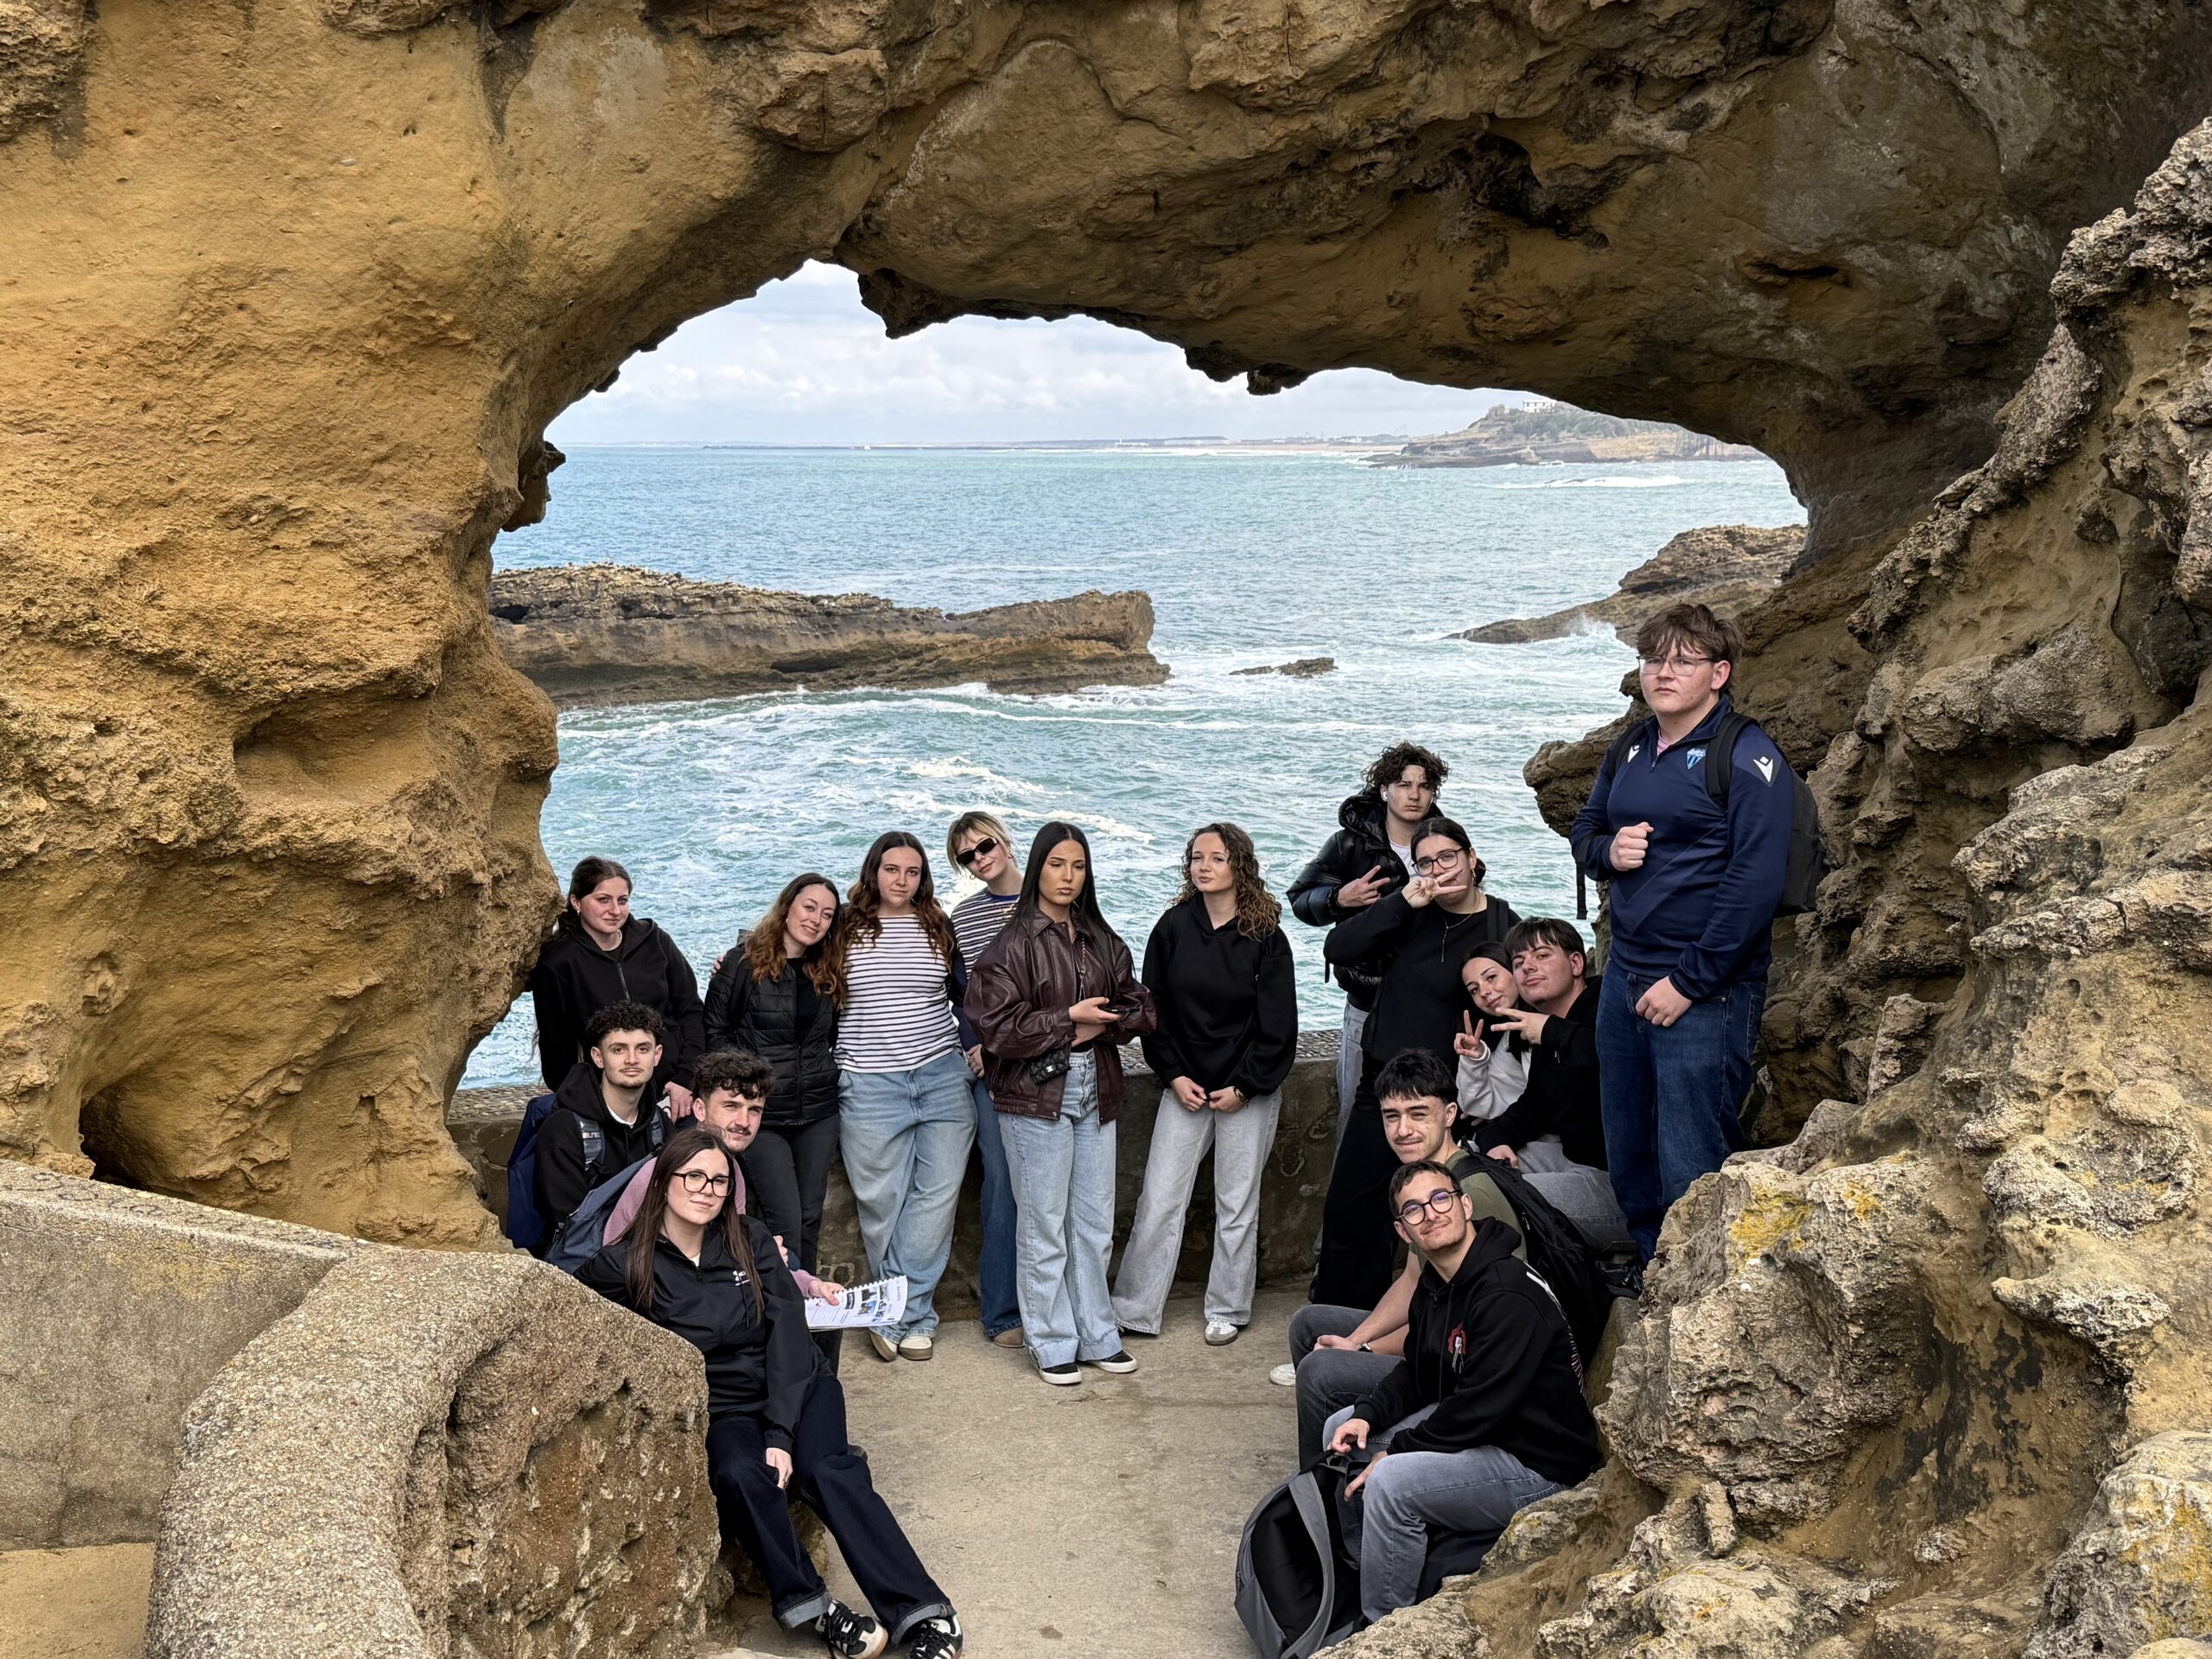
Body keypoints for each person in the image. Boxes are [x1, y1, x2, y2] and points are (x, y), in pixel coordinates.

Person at [579, 1128, 963, 1659]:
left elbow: (787, 1330)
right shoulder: (627, 1263)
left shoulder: (749, 1238)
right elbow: (570, 1312)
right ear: (663, 1180)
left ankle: (924, 1612)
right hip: (724, 1406)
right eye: (693, 1176)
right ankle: (819, 1610)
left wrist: (781, 1433)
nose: (706, 1189)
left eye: (719, 1179)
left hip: (797, 1385)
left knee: (826, 1471)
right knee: (740, 1473)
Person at [1571, 603, 1795, 1256]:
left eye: (1682, 661)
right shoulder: (1633, 745)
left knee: (1691, 1151)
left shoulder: (1749, 758)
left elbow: (1754, 888)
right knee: (1630, 1140)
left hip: (1704, 990)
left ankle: (1694, 1285)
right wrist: (1608, 852)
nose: (1662, 672)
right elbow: (1586, 829)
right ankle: (1650, 1266)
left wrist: (1689, 982)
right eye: (1652, 658)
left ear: (1719, 673)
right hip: (1626, 976)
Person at [1326, 1159, 1601, 1627]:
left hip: (1538, 1465)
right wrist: (1369, 1416)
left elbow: (1478, 1411)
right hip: (1491, 1433)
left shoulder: (1507, 1295)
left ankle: (1382, 1627)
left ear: (1465, 1204)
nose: (1430, 1214)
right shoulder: (1437, 1283)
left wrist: (1396, 1452)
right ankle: (1368, 1562)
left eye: (1440, 1199)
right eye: (1414, 1210)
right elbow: (1418, 1371)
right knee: (1342, 1428)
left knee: (1391, 1481)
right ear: (1403, 1232)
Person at [966, 821, 1156, 1387]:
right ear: (1039, 867)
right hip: (1032, 1096)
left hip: (1096, 1087)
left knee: (1094, 1225)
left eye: (1077, 866)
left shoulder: (1100, 935)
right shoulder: (1011, 941)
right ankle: (1050, 1340)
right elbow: (995, 1028)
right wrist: (1066, 1022)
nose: (1068, 877)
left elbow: (1142, 1006)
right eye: (1057, 865)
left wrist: (1101, 1026)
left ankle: (1098, 1334)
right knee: (1044, 1226)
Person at [1276, 1048, 1523, 1468]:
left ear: (1450, 1115)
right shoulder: (1425, 1181)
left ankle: (1325, 1491)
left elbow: (1452, 1329)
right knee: (1310, 1324)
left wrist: (1365, 1351)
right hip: (1441, 1336)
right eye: (1392, 1116)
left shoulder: (1467, 1196)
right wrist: (1355, 1342)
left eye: (1418, 1114)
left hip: (1471, 1363)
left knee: (1322, 1371)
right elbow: (1413, 1282)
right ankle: (1329, 1468)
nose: (1403, 1129)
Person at [1313, 816, 1520, 1310]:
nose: (1438, 869)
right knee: (1353, 1206)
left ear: (1471, 859)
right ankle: (1338, 1325)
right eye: (1424, 862)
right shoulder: (1410, 909)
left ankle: (1427, 1331)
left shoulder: (1502, 923)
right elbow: (1338, 947)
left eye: (1448, 857)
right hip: (1382, 1082)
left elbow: (1513, 1001)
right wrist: (1403, 900)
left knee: (1434, 1211)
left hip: (1446, 1096)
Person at [1111, 823, 1298, 1345]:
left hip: (1247, 1092)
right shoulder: (1172, 927)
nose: (1204, 866)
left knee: (1236, 1203)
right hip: (1185, 1087)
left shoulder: (1266, 936)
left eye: (1216, 857)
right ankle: (1133, 1309)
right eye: (1197, 857)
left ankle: (1227, 1308)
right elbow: (1154, 1012)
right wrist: (1173, 1075)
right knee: (1160, 1198)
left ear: (1239, 865)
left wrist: (1246, 1086)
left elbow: (1279, 1026)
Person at [824, 832, 977, 1363]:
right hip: (868, 1083)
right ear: (874, 871)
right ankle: (907, 1316)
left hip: (940, 1075)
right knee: (881, 1204)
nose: (901, 880)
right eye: (892, 869)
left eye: (912, 872)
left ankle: (901, 1314)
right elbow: (787, 950)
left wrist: (977, 1048)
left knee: (936, 1198)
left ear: (923, 878)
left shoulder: (940, 925)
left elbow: (970, 995)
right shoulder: (842, 927)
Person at [1288, 743, 1450, 1145]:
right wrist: (1338, 898)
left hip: (1428, 1005)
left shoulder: (1444, 845)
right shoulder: (1350, 844)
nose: (1414, 794)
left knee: (1427, 1122)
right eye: (1403, 784)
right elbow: (1299, 901)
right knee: (1359, 1121)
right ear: (1383, 790)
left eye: (1424, 786)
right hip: (1367, 1002)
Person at [703, 874, 842, 1275]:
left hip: (818, 1111)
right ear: (788, 906)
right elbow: (714, 1031)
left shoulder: (828, 969)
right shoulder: (742, 961)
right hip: (762, 1115)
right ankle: (782, 1313)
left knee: (810, 1220)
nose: (816, 920)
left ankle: (809, 1311)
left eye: (827, 915)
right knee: (784, 1221)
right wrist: (744, 1093)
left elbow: (828, 1038)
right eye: (809, 907)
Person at [1467, 919, 1631, 1251]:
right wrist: (1493, 1140)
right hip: (1574, 1161)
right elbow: (1535, 1107)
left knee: (1493, 1197)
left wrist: (1552, 1031)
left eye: (1542, 955)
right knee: (1463, 1163)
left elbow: (1621, 1058)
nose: (1528, 967)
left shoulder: (1609, 1002)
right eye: (1518, 963)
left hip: (1624, 1186)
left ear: (1575, 964)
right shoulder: (1544, 1030)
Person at [530, 855, 707, 1114]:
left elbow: (691, 1010)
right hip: (605, 1097)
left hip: (673, 1088)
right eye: (603, 900)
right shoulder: (558, 962)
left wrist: (685, 1079)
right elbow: (556, 1048)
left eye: (622, 900)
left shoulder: (655, 941)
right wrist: (591, 1101)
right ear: (576, 902)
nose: (615, 910)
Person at [946, 812, 1026, 1350]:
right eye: (967, 856)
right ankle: (1003, 1311)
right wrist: (974, 1047)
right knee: (1003, 1185)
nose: (979, 859)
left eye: (985, 846)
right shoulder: (964, 918)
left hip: (1053, 1061)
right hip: (991, 1069)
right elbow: (959, 997)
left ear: (1006, 840)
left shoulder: (1053, 898)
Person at [535, 1000, 674, 1243]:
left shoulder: (659, 1125)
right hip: (586, 1256)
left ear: (657, 1055)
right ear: (598, 1058)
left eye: (642, 1049)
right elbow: (568, 1220)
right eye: (618, 1050)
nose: (632, 1060)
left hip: (650, 1246)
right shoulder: (564, 1129)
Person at [1452, 943, 1529, 1123]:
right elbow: (1479, 1105)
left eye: (1491, 977)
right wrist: (1475, 1059)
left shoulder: (1557, 1013)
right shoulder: (1511, 1037)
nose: (1484, 992)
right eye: (1474, 990)